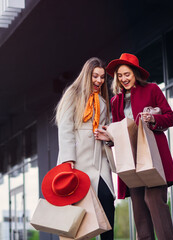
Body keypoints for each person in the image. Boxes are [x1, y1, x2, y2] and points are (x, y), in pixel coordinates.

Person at [95, 53, 173, 240]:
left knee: (155, 202)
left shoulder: (152, 90)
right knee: (140, 213)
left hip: (152, 157)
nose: (124, 79)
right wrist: (108, 137)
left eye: (127, 74)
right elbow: (118, 133)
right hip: (130, 162)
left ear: (135, 74)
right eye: (120, 75)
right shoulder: (116, 101)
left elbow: (170, 117)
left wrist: (153, 119)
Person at [55, 57, 116, 240]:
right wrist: (68, 162)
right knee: (79, 214)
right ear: (87, 75)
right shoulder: (72, 94)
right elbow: (65, 128)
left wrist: (109, 137)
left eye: (102, 77)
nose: (99, 81)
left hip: (99, 162)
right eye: (95, 76)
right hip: (78, 162)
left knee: (107, 201)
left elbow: (108, 128)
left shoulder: (103, 102)